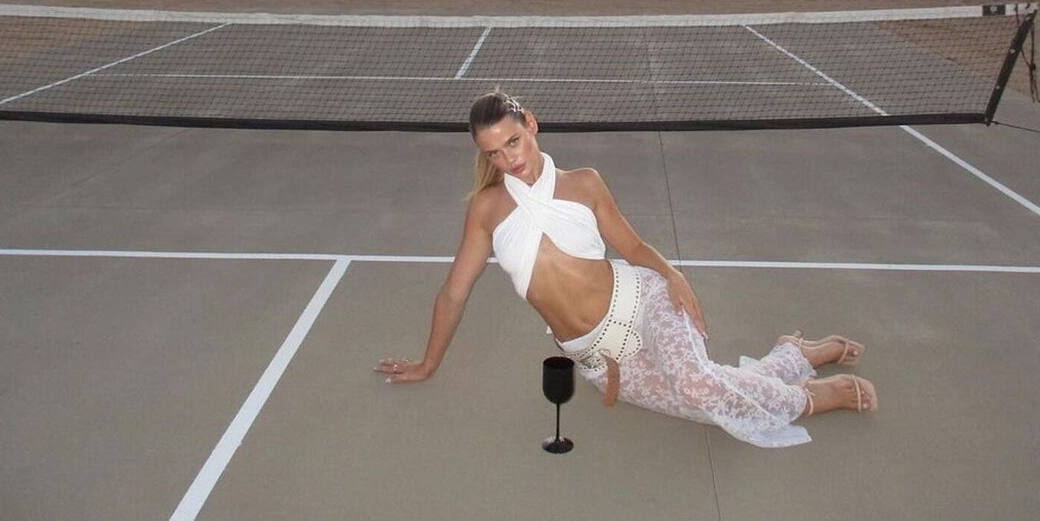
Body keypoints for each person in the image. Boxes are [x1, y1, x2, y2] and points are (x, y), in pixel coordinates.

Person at [375, 91, 878, 447]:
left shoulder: (584, 183)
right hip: (597, 358)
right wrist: (428, 363)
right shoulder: (486, 208)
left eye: (513, 141)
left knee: (699, 386)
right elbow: (454, 293)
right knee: (705, 400)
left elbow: (632, 246)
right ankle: (792, 355)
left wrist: (673, 275)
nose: (509, 159)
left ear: (531, 124)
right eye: (494, 152)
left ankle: (813, 398)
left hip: (644, 302)